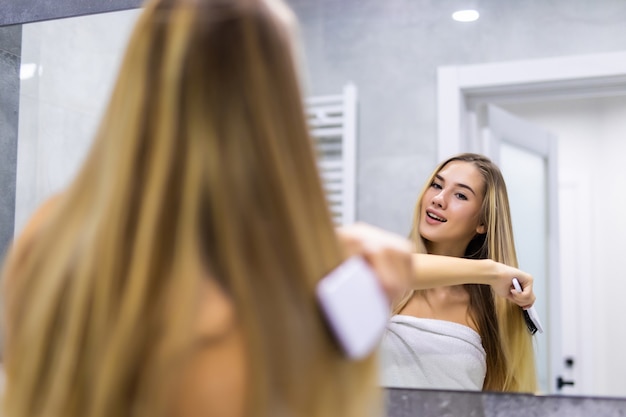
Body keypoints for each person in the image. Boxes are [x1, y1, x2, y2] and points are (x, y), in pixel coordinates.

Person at [0, 2, 535, 417]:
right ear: (274, 108)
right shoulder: (277, 273)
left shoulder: (52, 231)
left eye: (459, 194)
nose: (439, 199)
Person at [380, 153, 538, 393]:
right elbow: (395, 270)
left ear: (482, 222)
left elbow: (507, 393)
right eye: (436, 185)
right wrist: (491, 271)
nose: (439, 199)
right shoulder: (387, 280)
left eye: (461, 195)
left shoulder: (496, 309)